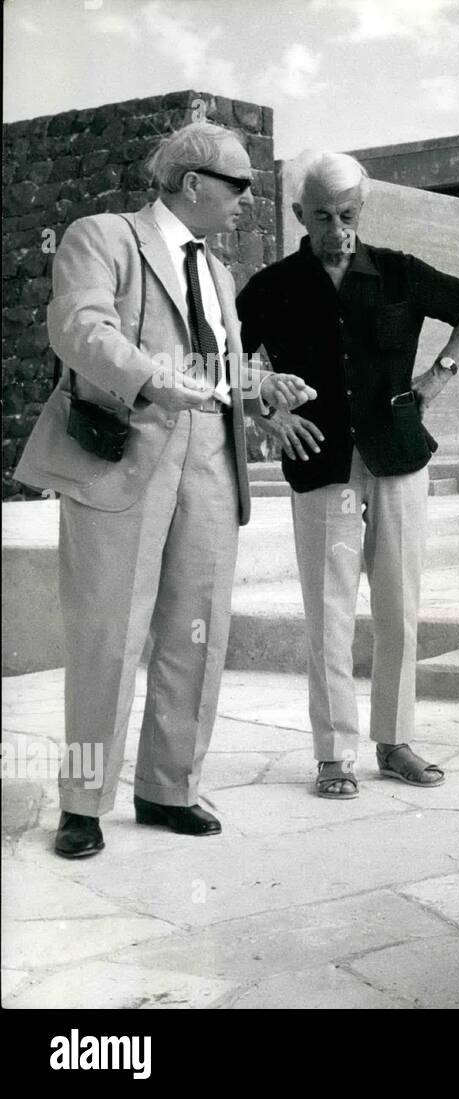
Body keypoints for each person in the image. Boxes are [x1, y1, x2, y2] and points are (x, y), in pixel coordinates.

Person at [15, 122, 314, 858]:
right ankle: (84, 803)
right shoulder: (103, 237)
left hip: (210, 454)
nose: (250, 197)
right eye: (241, 183)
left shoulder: (215, 273)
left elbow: (216, 369)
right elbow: (78, 327)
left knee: (196, 630)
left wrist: (260, 385)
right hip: (124, 456)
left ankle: (168, 787)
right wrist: (151, 377)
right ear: (194, 183)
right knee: (107, 635)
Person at [236, 151, 459, 800]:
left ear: (363, 210)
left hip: (398, 456)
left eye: (348, 213)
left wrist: (438, 377)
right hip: (320, 459)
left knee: (398, 608)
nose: (336, 226)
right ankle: (333, 755)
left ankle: (395, 739)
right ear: (299, 214)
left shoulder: (401, 274)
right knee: (327, 614)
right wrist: (263, 415)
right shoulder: (272, 287)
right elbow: (222, 361)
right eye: (321, 215)